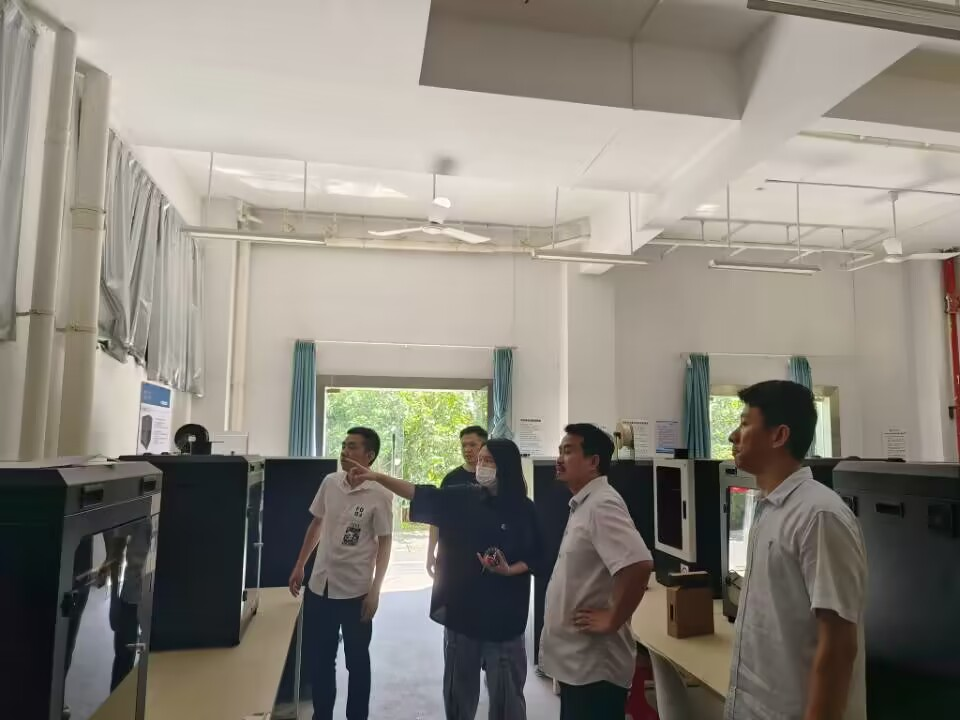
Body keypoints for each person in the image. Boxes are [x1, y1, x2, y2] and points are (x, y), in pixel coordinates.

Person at [346, 438, 542, 720]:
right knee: (459, 694)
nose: (481, 466)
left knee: (507, 696)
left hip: (504, 617)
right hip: (463, 612)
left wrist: (509, 569)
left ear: (506, 467)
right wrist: (377, 477)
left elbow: (537, 555)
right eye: (480, 460)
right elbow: (420, 493)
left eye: (489, 461)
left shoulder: (525, 510)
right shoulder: (465, 498)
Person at [724, 381, 867, 720]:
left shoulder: (819, 515)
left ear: (779, 435)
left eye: (744, 424)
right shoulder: (769, 508)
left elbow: (838, 646)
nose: (733, 436)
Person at [540, 423, 653, 720]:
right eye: (559, 451)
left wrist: (613, 617)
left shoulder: (602, 504)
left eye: (568, 451)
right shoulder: (585, 503)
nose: (559, 458)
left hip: (594, 668)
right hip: (578, 665)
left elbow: (639, 563)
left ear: (593, 461)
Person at [289, 427, 393, 720]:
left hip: (355, 592)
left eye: (352, 447)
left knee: (357, 662)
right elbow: (316, 524)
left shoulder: (380, 494)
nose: (345, 451)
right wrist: (300, 564)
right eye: (344, 445)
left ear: (369, 455)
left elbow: (385, 543)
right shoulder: (330, 482)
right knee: (322, 660)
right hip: (320, 586)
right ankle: (322, 715)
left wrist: (375, 591)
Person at [426, 425, 488, 579]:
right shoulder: (451, 479)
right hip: (451, 555)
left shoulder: (492, 479)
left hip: (484, 556)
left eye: (472, 445)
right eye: (463, 445)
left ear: (484, 446)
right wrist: (430, 553)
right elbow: (436, 519)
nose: (467, 449)